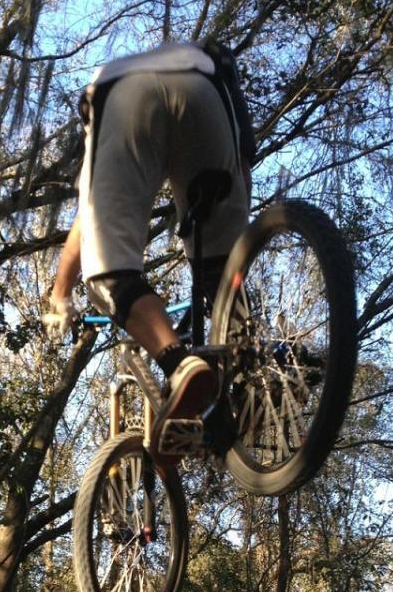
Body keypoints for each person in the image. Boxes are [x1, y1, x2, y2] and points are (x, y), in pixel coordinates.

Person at [47, 39, 255, 463]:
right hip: (208, 90)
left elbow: (88, 220)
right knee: (222, 267)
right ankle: (253, 372)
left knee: (109, 278)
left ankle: (180, 363)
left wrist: (60, 295)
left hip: (125, 93)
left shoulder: (111, 91)